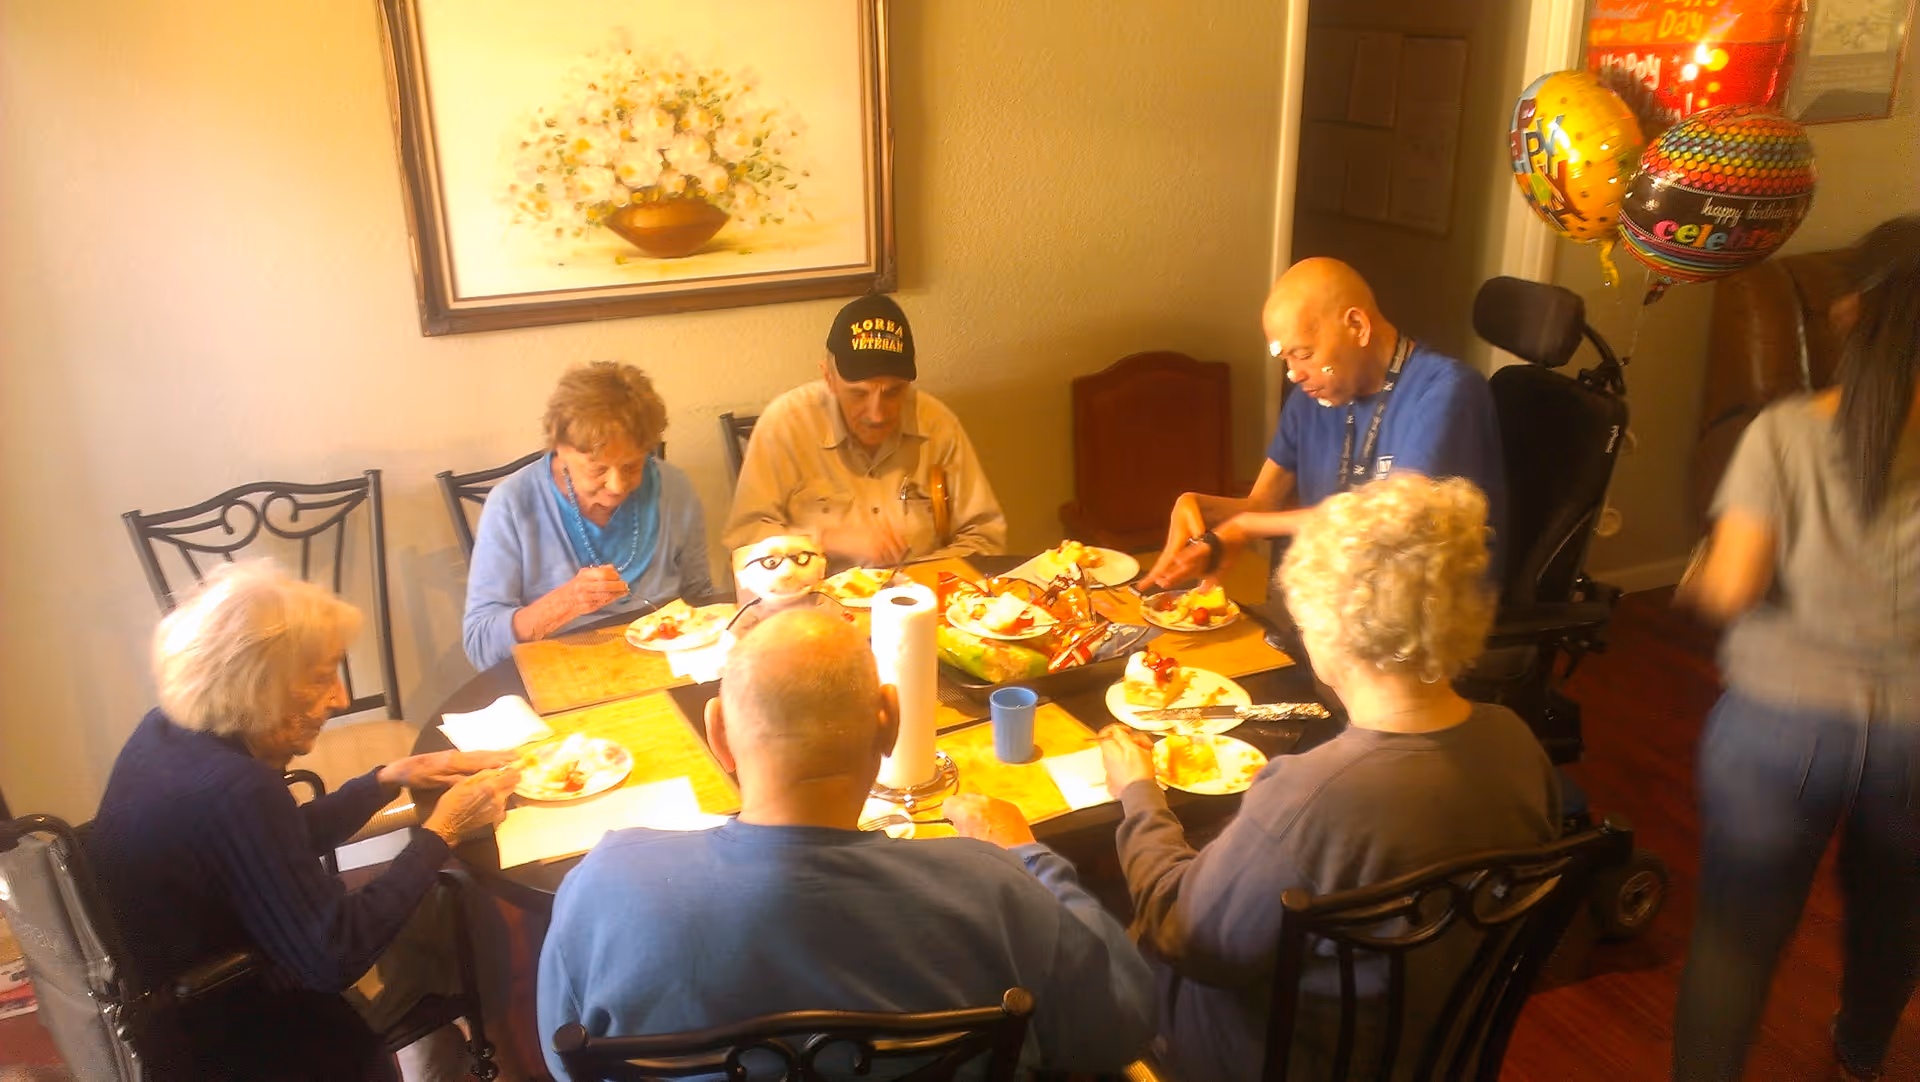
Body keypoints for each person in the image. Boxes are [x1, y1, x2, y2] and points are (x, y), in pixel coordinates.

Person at [537, 609, 1152, 1078]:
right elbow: (1122, 1025)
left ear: (718, 733)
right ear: (889, 722)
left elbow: (567, 1063)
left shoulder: (604, 885)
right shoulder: (992, 887)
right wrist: (1028, 854)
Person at [1101, 474, 1558, 1081]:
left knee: (1085, 909)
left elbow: (1186, 935)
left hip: (1275, 1061)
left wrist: (1140, 799)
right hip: (1433, 1052)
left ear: (1336, 630)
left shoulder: (1308, 796)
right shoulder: (1516, 743)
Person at [87, 562, 521, 1081]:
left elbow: (263, 851)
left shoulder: (166, 735)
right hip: (234, 1042)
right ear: (255, 688)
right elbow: (332, 956)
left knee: (432, 908)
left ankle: (441, 1054)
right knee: (457, 910)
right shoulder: (236, 789)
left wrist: (387, 777)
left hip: (162, 1011)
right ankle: (498, 1054)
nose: (339, 699)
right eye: (319, 680)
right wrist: (440, 834)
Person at [1671, 217, 1920, 1082]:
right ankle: (1861, 1054)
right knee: (1895, 918)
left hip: (1781, 728)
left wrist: (1701, 570)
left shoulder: (1784, 434)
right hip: (1916, 737)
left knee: (1737, 934)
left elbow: (1732, 588)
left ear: (1850, 313)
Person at [1142, 257, 1506, 589]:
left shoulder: (1447, 391)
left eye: (1303, 354)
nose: (1294, 374)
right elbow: (1264, 503)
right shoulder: (1315, 392)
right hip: (1329, 614)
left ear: (1357, 326)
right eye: (1286, 359)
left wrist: (1245, 528)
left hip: (1414, 627)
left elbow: (1393, 527)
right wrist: (1206, 511)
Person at [722, 293, 1007, 568]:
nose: (877, 414)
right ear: (828, 379)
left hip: (920, 597)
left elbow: (984, 537)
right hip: (814, 603)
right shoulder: (786, 424)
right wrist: (825, 539)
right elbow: (744, 539)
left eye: (894, 393)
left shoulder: (937, 425)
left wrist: (923, 579)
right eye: (858, 394)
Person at [463, 361, 713, 670]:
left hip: (668, 665)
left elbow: (700, 599)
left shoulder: (675, 489)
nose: (617, 486)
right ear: (559, 449)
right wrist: (564, 604)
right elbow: (480, 645)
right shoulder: (512, 505)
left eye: (632, 465)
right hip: (564, 675)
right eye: (597, 469)